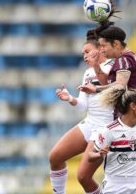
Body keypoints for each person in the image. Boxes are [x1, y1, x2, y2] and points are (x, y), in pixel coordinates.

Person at [48, 30, 114, 194]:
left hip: (105, 128)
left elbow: (113, 89)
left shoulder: (114, 67)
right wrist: (70, 98)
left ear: (99, 49)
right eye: (82, 53)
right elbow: (83, 105)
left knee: (83, 177)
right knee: (55, 157)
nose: (84, 56)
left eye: (87, 51)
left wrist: (96, 66)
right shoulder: (88, 72)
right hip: (90, 122)